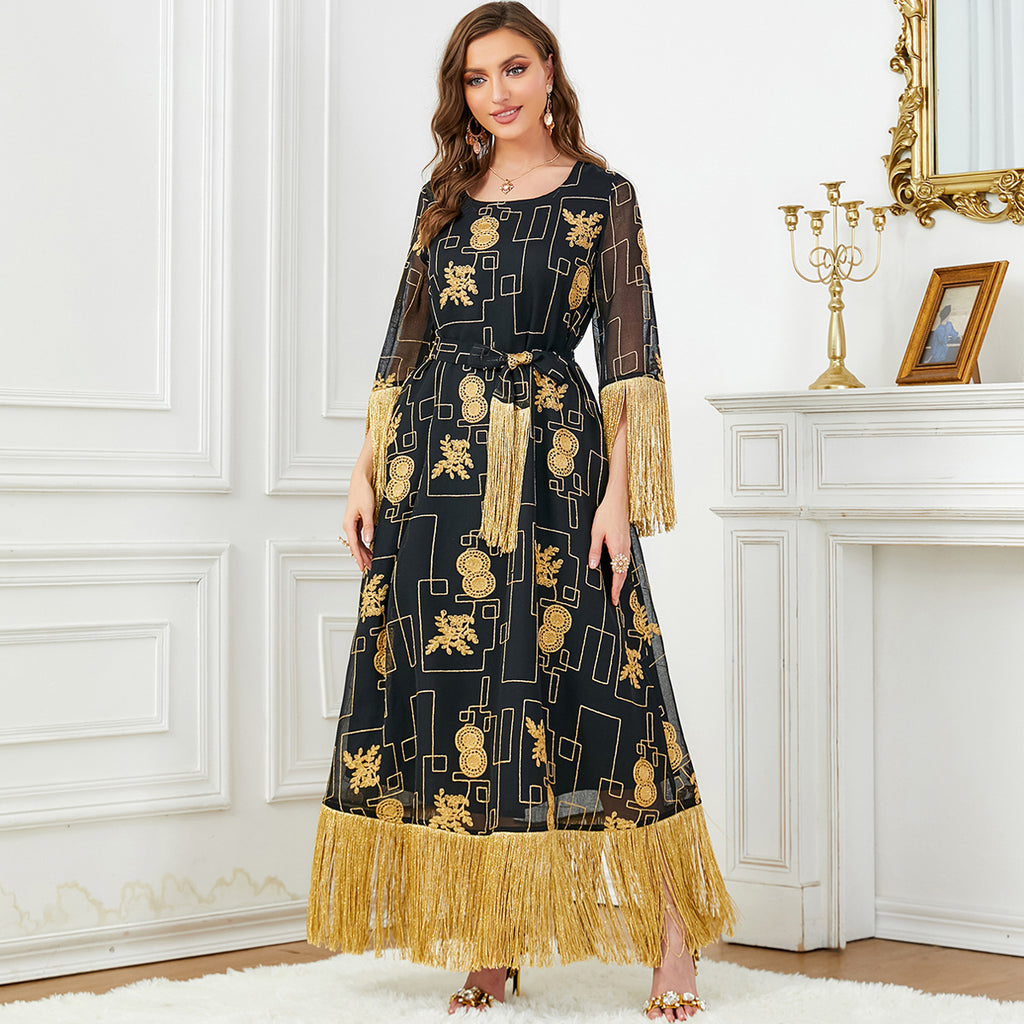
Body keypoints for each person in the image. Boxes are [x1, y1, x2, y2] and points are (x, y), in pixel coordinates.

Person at [306, 4, 735, 1019]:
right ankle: (492, 943)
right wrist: (363, 471)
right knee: (465, 694)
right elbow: (402, 344)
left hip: (555, 463)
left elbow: (630, 362)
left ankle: (671, 939)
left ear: (548, 71)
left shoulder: (602, 197)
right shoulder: (444, 198)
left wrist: (618, 502)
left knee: (604, 683)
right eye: (474, 78)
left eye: (512, 69)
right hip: (434, 469)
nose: (495, 93)